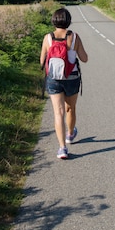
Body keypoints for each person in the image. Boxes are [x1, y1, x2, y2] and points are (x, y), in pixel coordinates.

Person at [40, 8, 88, 159]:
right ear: (68, 20)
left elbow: (42, 61)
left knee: (58, 113)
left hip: (54, 78)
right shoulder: (74, 37)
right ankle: (70, 134)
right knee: (70, 109)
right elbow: (85, 58)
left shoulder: (48, 37)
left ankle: (62, 148)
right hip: (72, 78)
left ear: (53, 20)